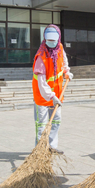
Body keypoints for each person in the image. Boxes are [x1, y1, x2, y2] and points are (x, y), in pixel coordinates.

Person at [32, 25, 73, 155]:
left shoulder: (60, 48)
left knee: (55, 121)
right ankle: (40, 149)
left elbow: (64, 63)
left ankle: (52, 146)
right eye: (49, 40)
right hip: (43, 96)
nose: (51, 42)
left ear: (58, 38)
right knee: (42, 124)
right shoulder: (41, 57)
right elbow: (42, 83)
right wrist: (51, 96)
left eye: (54, 40)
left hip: (57, 94)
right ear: (45, 39)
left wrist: (67, 72)